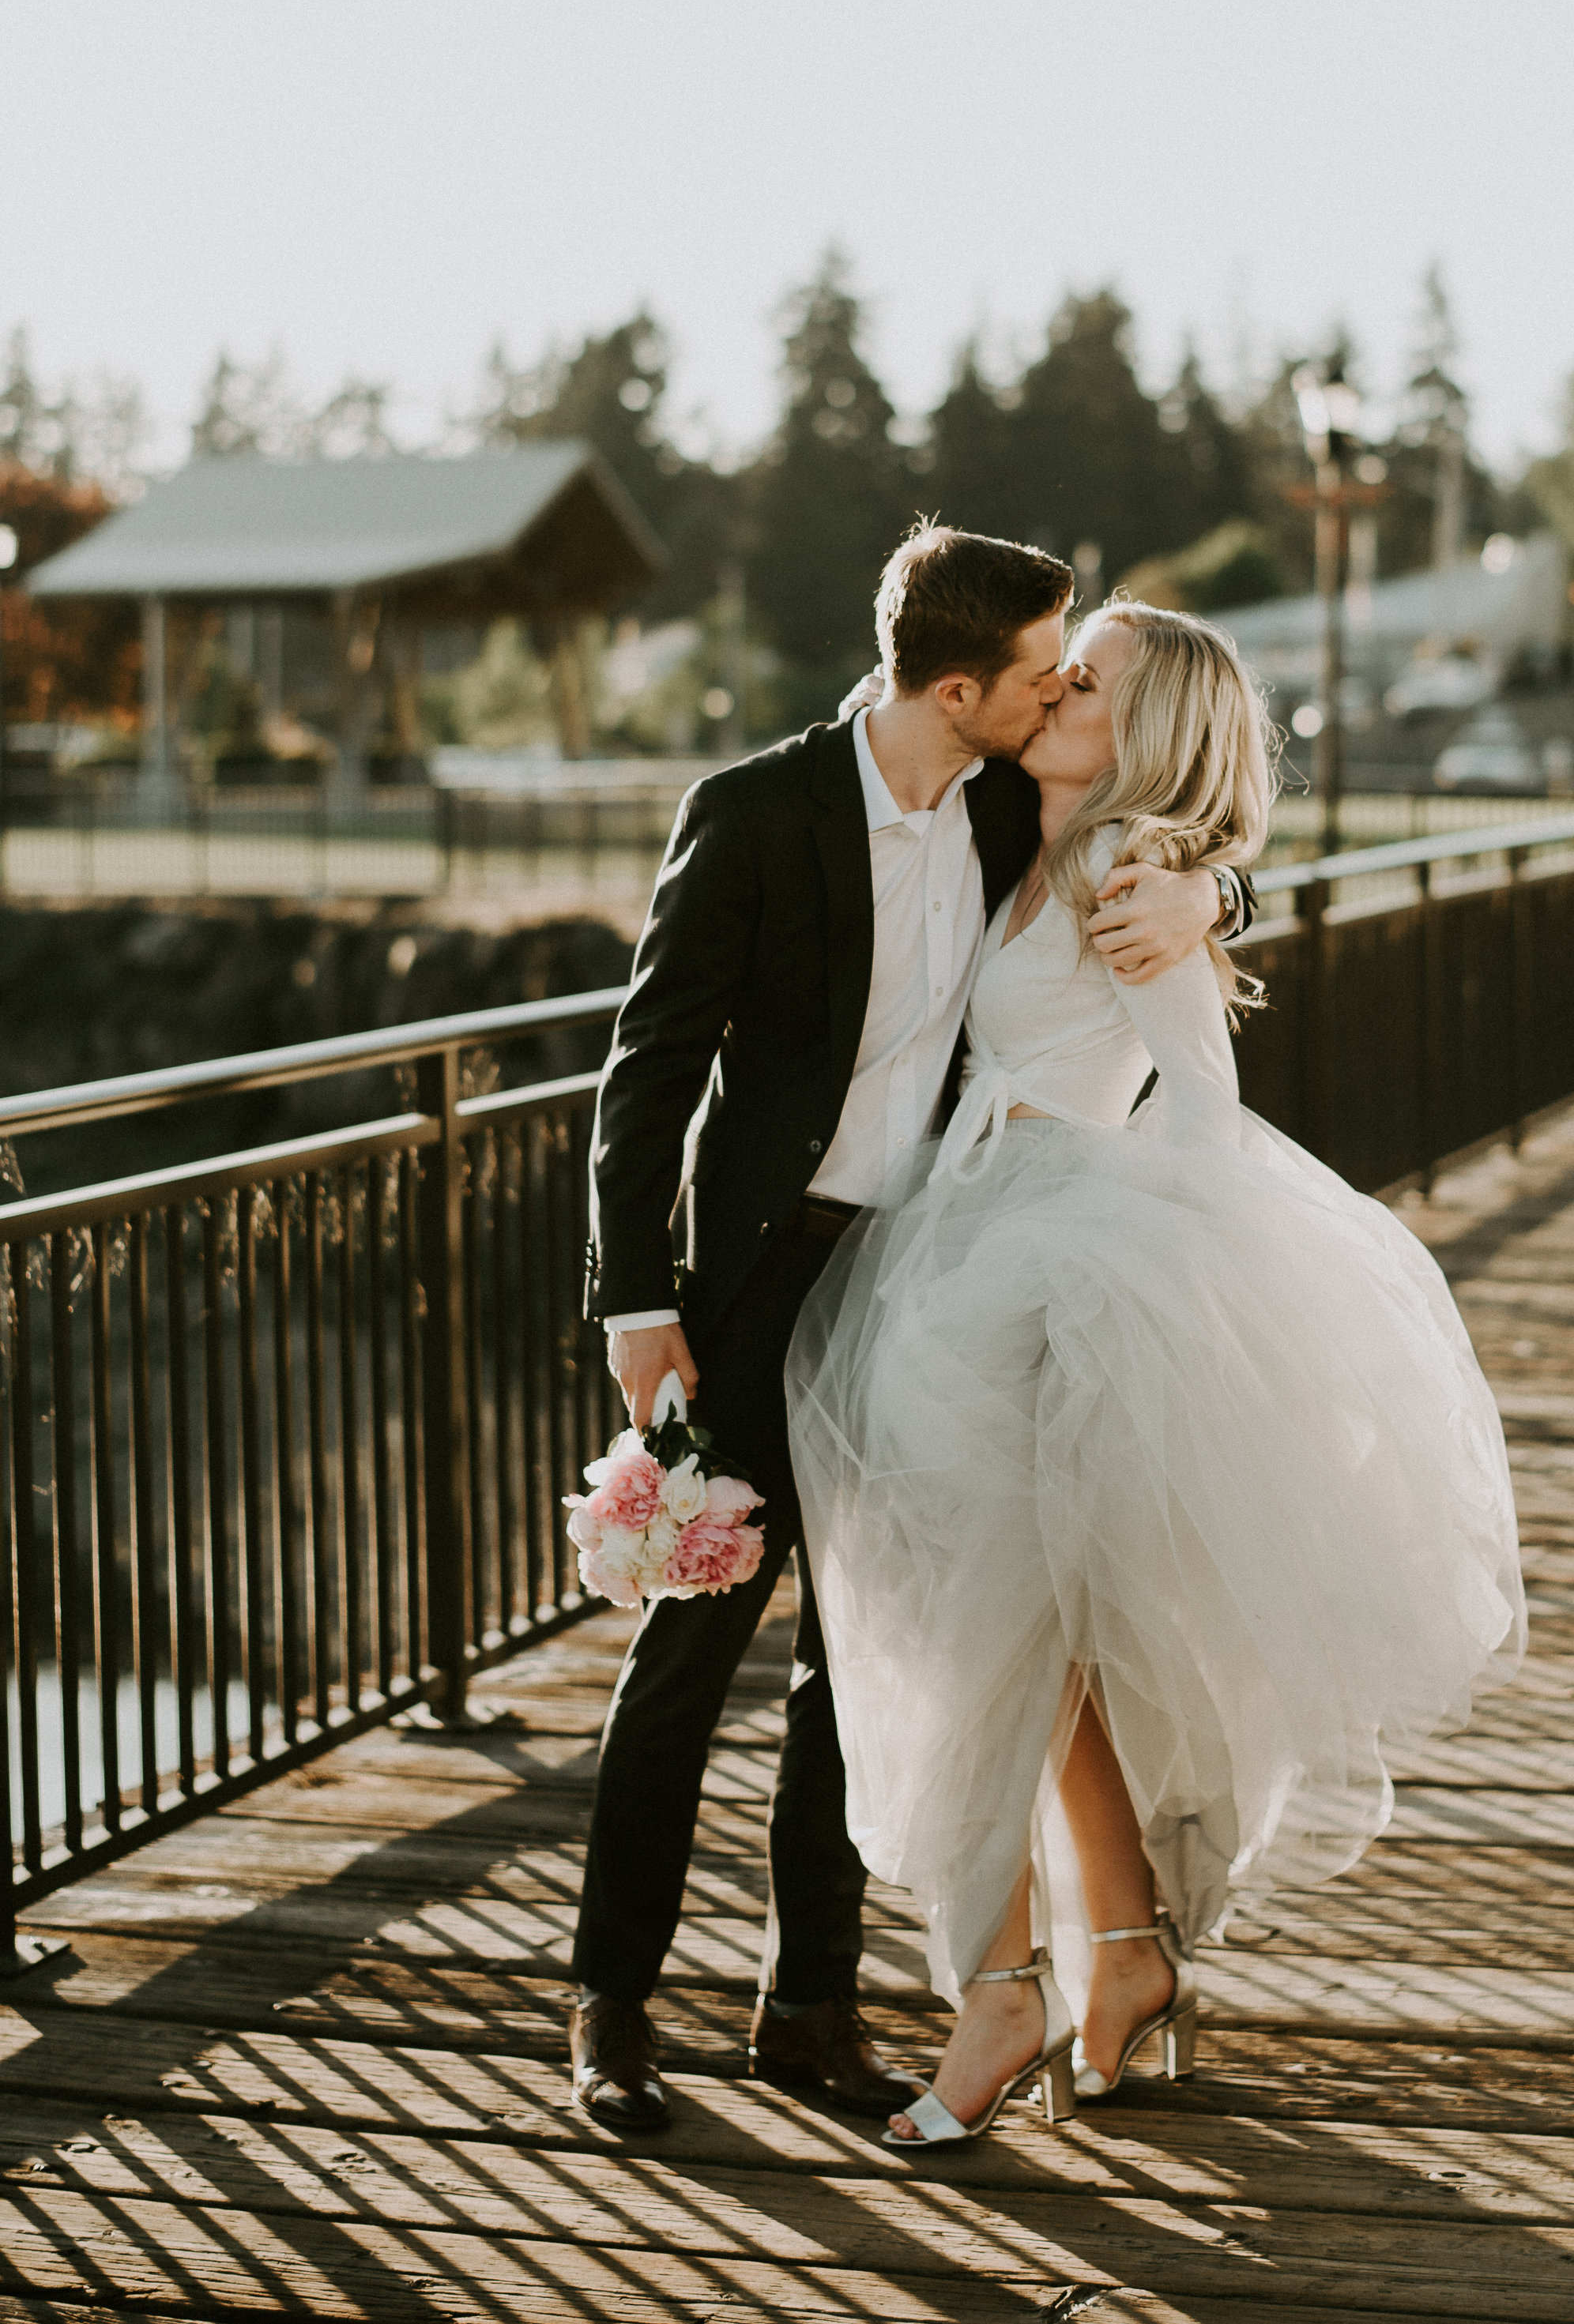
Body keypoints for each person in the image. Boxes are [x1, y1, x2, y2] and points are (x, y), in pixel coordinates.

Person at [786, 601, 1526, 2147]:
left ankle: (1000, 1995)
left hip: (1056, 1273)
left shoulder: (1133, 880)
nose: (1059, 679)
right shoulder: (1013, 820)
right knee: (1015, 1646)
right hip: (946, 1253)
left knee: (996, 1647)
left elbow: (1197, 1098)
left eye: (1093, 674)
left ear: (1148, 727)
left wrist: (1168, 1293)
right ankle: (1113, 1964)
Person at [569, 528, 1252, 2134]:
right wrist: (634, 1294)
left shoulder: (1017, 795)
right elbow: (644, 1068)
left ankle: (805, 2006)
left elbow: (1158, 814)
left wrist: (1216, 882)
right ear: (960, 689)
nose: (1059, 686)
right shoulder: (750, 814)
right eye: (1038, 672)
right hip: (753, 1289)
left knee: (855, 1656)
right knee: (686, 1646)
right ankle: (612, 2007)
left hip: (926, 1278)